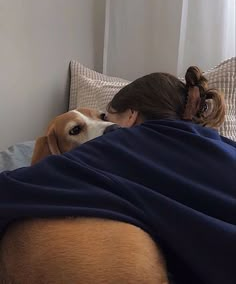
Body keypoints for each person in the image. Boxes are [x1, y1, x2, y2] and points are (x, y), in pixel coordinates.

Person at [0, 66, 235, 284]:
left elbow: (19, 187)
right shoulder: (226, 145)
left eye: (106, 118)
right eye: (78, 130)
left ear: (131, 116)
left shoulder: (121, 144)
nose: (105, 128)